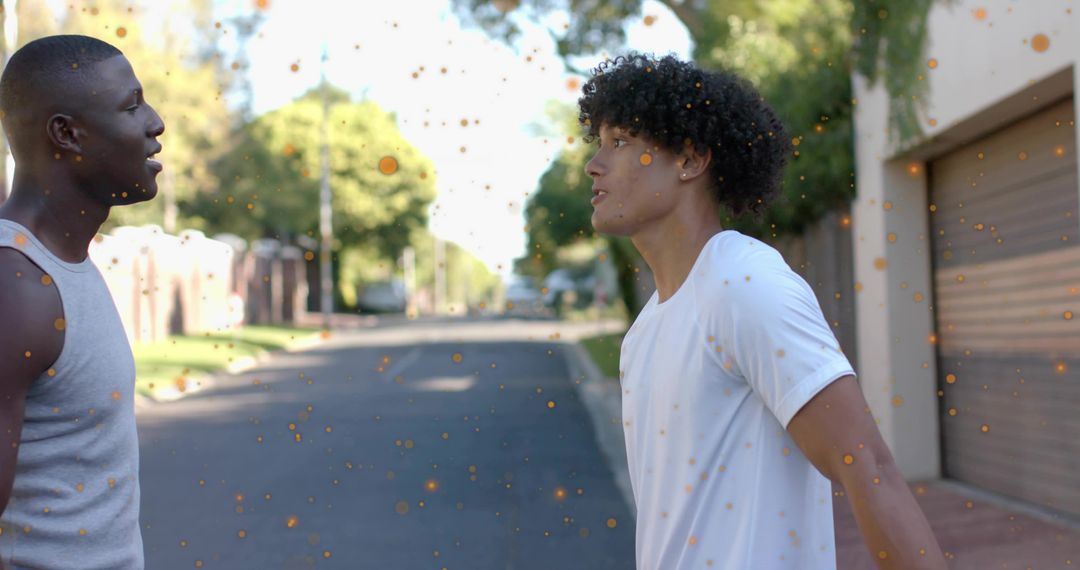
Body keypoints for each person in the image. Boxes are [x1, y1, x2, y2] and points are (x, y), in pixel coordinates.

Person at [580, 53, 946, 569]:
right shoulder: (644, 331)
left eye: (620, 143)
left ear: (689, 159)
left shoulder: (743, 284)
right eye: (599, 145)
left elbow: (867, 467)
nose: (595, 165)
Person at [0, 35, 164, 569]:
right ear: (67, 134)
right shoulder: (16, 287)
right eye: (131, 105)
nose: (156, 123)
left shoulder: (63, 264)